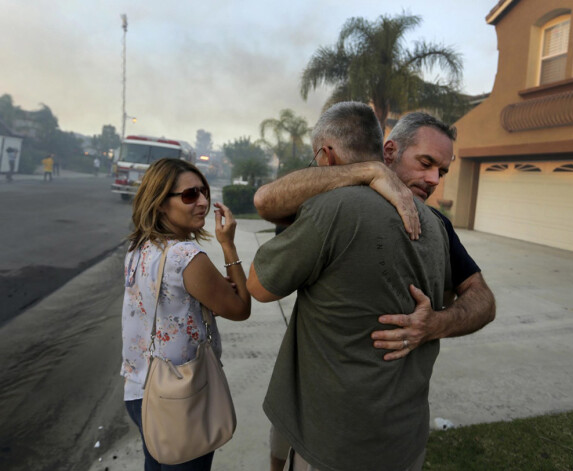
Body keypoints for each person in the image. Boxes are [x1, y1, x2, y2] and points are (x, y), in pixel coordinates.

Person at [254, 110, 496, 470]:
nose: (433, 180)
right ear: (388, 152)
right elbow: (269, 201)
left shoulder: (437, 225)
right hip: (324, 416)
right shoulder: (332, 201)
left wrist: (436, 324)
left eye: (441, 172)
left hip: (346, 437)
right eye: (426, 163)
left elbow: (483, 299)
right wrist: (366, 173)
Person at [121, 158, 251, 471]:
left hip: (140, 389)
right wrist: (228, 245)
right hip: (181, 397)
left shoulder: (138, 248)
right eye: (190, 195)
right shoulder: (185, 256)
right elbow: (240, 308)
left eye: (204, 192)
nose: (204, 202)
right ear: (161, 203)